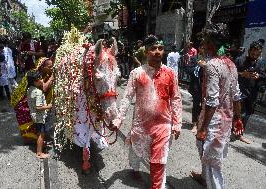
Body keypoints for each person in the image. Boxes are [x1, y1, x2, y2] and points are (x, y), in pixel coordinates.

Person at [112, 35, 182, 189]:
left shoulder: (170, 73)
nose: (157, 52)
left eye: (160, 49)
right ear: (146, 52)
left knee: (159, 159)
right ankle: (135, 168)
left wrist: (177, 123)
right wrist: (119, 119)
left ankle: (157, 186)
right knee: (136, 150)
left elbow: (176, 98)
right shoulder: (137, 73)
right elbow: (127, 98)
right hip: (141, 124)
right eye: (153, 49)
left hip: (163, 125)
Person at [191, 23, 242, 189]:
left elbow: (212, 100)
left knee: (213, 161)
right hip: (225, 120)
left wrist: (203, 128)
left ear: (211, 43)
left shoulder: (212, 65)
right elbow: (236, 96)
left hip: (214, 121)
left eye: (205, 40)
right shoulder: (231, 64)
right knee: (206, 151)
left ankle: (212, 183)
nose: (203, 44)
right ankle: (204, 177)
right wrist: (238, 118)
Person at [11, 58, 54, 144]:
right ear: (42, 67)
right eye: (49, 66)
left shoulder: (44, 74)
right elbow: (44, 88)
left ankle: (35, 139)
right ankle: (36, 142)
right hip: (23, 103)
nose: (52, 68)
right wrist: (52, 77)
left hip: (31, 100)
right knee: (28, 121)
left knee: (32, 121)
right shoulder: (35, 74)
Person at [234, 41, 264, 144]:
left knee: (247, 114)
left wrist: (258, 76)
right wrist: (243, 74)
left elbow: (263, 76)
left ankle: (240, 134)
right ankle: (228, 131)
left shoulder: (260, 63)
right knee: (236, 113)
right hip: (239, 91)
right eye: (253, 54)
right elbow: (231, 73)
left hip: (252, 93)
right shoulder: (239, 60)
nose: (255, 56)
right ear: (249, 51)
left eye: (257, 54)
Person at [27, 70, 52, 159]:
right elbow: (38, 107)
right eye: (39, 79)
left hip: (34, 115)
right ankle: (39, 153)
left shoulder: (30, 89)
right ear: (34, 81)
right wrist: (48, 106)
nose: (42, 80)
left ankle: (40, 146)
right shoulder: (38, 92)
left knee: (39, 132)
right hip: (39, 116)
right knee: (41, 134)